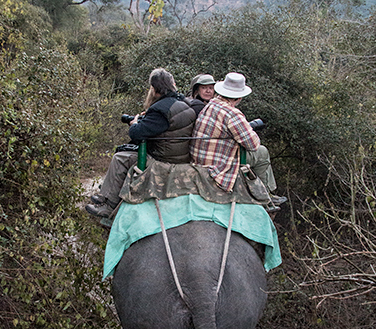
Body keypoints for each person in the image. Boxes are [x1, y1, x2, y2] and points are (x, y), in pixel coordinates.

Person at [86, 68, 196, 218]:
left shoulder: (160, 109)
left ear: (154, 89)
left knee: (121, 158)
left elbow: (136, 134)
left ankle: (108, 204)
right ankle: (107, 194)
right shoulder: (183, 103)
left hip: (163, 160)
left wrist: (135, 123)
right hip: (180, 156)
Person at [189, 72, 285, 207]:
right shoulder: (232, 114)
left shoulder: (211, 104)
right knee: (262, 152)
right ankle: (266, 195)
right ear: (239, 97)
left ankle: (266, 193)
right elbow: (253, 144)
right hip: (217, 166)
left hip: (199, 159)